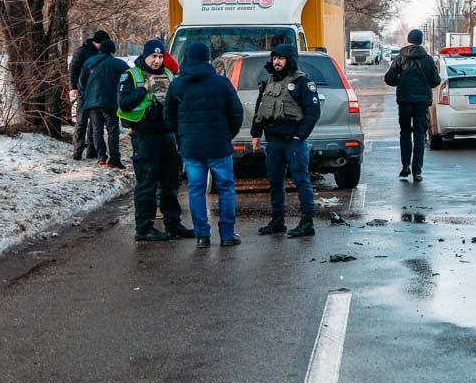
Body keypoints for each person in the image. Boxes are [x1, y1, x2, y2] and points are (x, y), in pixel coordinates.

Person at [164, 41, 244, 248]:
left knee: (196, 190)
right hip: (219, 145)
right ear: (208, 58)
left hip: (191, 147)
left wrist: (181, 139)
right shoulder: (221, 82)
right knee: (226, 189)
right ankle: (227, 235)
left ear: (188, 58)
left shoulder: (177, 84)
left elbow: (169, 117)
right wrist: (227, 135)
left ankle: (202, 236)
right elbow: (236, 113)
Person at [117, 38, 194, 242]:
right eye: (154, 56)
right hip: (145, 136)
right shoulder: (131, 76)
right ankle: (144, 228)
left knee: (170, 182)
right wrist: (145, 89)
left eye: (160, 56)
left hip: (167, 135)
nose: (157, 61)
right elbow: (124, 104)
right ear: (145, 56)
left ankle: (173, 224)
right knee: (147, 183)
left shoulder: (169, 74)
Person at [250, 43, 322, 238]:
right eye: (274, 58)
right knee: (275, 181)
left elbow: (313, 111)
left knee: (300, 179)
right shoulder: (268, 82)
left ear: (289, 60)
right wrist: (256, 134)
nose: (277, 62)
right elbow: (260, 110)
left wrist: (300, 135)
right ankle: (278, 220)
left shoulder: (302, 82)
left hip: (294, 141)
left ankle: (307, 222)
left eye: (280, 58)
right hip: (273, 141)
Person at [384, 29, 440, 182]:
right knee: (420, 135)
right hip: (421, 103)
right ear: (421, 41)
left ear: (409, 39)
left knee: (405, 133)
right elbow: (435, 81)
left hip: (405, 102)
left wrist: (400, 82)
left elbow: (389, 78)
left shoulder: (400, 58)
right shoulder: (428, 60)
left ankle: (405, 166)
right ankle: (417, 171)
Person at [80, 38, 128, 168]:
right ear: (112, 50)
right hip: (110, 102)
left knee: (97, 130)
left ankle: (101, 157)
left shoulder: (88, 62)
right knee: (112, 130)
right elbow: (129, 78)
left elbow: (81, 82)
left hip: (92, 102)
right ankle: (114, 159)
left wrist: (86, 96)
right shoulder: (119, 64)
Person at [69, 29, 110, 160]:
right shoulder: (81, 51)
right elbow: (73, 69)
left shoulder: (102, 53)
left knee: (95, 122)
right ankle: (78, 150)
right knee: (81, 121)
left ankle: (91, 150)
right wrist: (73, 87)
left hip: (97, 93)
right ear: (96, 42)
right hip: (83, 91)